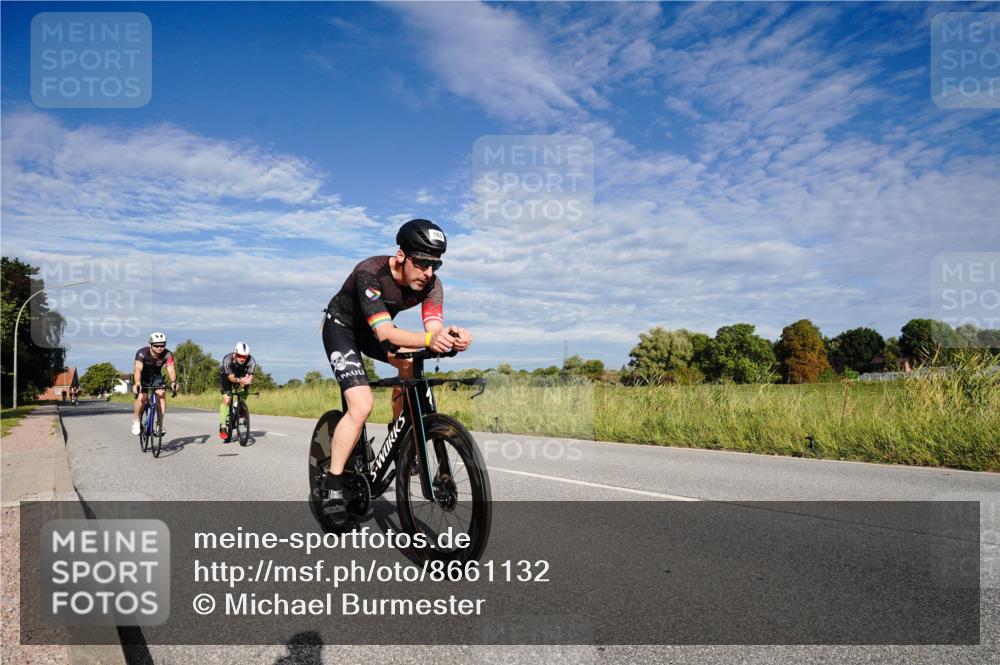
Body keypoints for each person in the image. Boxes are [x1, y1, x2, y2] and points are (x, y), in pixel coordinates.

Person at [319, 219, 472, 524]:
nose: (428, 272)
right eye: (422, 263)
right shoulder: (369, 272)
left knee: (410, 363)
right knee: (361, 405)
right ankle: (333, 485)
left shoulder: (431, 284)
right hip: (343, 330)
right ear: (401, 255)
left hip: (375, 331)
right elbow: (387, 333)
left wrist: (450, 338)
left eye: (435, 265)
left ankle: (400, 434)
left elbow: (433, 330)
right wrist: (430, 339)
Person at [131, 332, 178, 435]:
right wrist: (137, 383)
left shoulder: (168, 354)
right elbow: (138, 369)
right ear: (150, 345)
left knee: (161, 394)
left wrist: (173, 382)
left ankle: (159, 424)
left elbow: (170, 369)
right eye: (157, 346)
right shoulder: (142, 353)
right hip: (142, 376)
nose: (160, 348)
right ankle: (136, 421)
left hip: (156, 376)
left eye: (162, 345)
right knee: (142, 397)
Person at [218, 341, 257, 441]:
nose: (242, 359)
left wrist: (248, 380)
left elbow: (250, 376)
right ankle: (223, 427)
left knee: (247, 384)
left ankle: (240, 405)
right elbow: (231, 378)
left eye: (245, 356)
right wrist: (240, 381)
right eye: (240, 356)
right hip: (226, 376)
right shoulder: (227, 360)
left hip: (240, 374)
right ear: (235, 353)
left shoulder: (251, 361)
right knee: (227, 400)